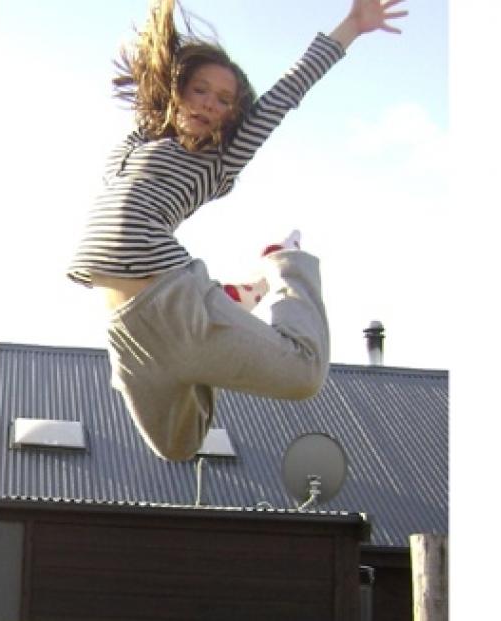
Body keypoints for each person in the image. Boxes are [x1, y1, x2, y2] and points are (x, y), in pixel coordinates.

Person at [67, 0, 408, 461]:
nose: (209, 102)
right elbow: (156, 72)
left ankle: (285, 263)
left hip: (172, 296)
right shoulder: (143, 137)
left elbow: (288, 91)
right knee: (177, 446)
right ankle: (229, 305)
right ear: (177, 90)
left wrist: (351, 25)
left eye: (224, 100)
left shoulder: (220, 158)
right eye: (200, 90)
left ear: (232, 116)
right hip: (129, 327)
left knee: (306, 375)